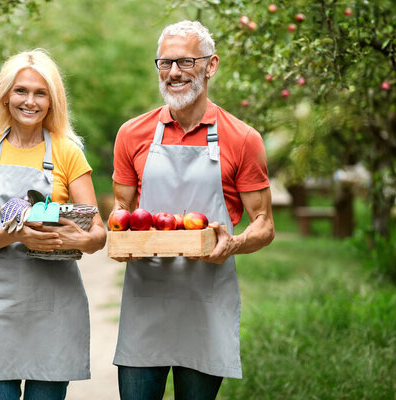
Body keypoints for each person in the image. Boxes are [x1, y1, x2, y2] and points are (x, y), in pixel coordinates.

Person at [111, 20, 275, 399]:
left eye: (185, 62)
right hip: (146, 297)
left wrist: (232, 245)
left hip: (206, 298)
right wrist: (121, 239)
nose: (173, 73)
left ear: (211, 65)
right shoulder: (132, 133)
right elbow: (122, 207)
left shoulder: (243, 138)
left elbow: (264, 224)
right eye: (164, 63)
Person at [0, 49, 106, 400]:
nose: (30, 101)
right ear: (5, 96)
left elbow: (98, 233)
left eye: (40, 93)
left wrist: (79, 238)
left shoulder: (68, 152)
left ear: (52, 101)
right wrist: (16, 233)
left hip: (54, 305)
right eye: (20, 91)